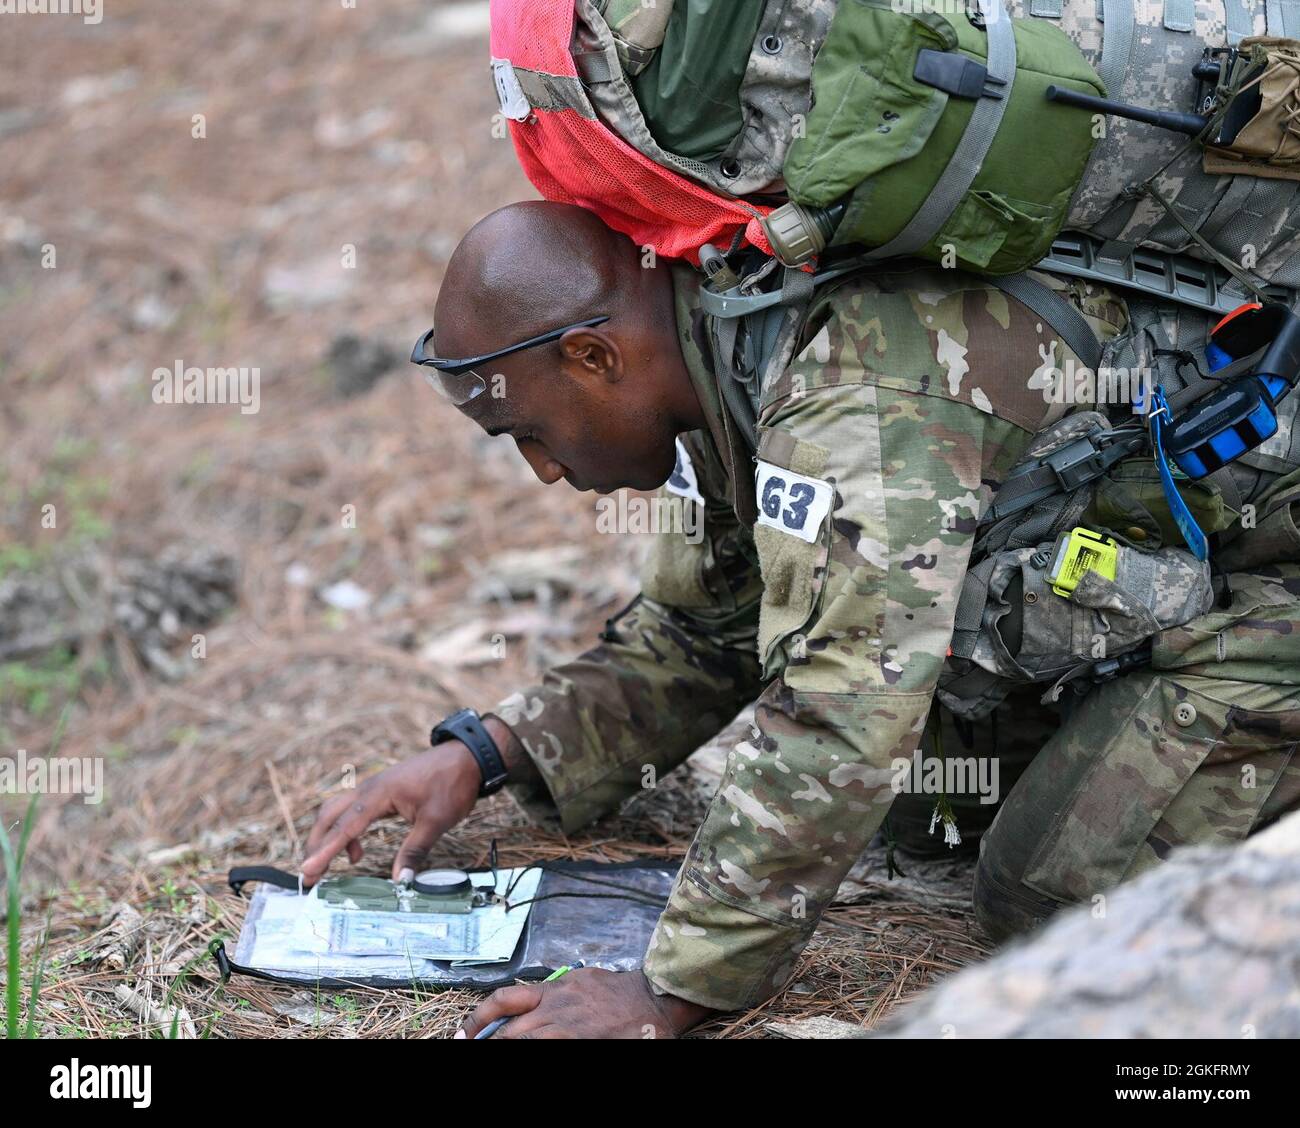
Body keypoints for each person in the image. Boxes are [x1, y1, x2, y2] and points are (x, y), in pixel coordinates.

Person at [301, 200, 1300, 1038]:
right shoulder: (737, 343)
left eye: (528, 431)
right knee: (935, 811)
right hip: (1179, 599)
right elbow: (709, 630)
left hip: (1271, 604)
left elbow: (843, 704)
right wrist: (489, 752)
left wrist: (669, 993)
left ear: (596, 355)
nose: (547, 468)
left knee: (1058, 887)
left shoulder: (847, 396)